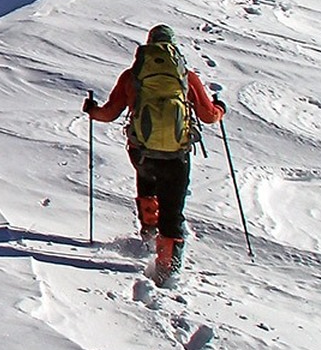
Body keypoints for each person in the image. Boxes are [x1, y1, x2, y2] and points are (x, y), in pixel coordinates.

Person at [83, 24, 226, 283]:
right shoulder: (186, 77)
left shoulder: (133, 77)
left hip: (142, 153)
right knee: (173, 208)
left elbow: (109, 113)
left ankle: (149, 232)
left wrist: (92, 110)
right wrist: (220, 109)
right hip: (176, 156)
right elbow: (208, 116)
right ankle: (166, 269)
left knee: (147, 183)